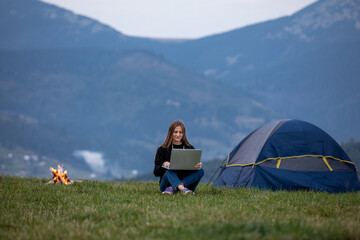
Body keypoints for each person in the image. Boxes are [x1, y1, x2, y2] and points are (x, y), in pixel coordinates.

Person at [153, 120, 204, 195]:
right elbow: (156, 172)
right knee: (169, 171)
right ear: (171, 133)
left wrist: (197, 166)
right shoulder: (162, 149)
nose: (178, 134)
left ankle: (179, 187)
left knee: (201, 171)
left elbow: (192, 169)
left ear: (183, 134)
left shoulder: (189, 148)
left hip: (187, 184)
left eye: (180, 132)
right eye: (175, 132)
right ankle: (183, 189)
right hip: (166, 185)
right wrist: (163, 165)